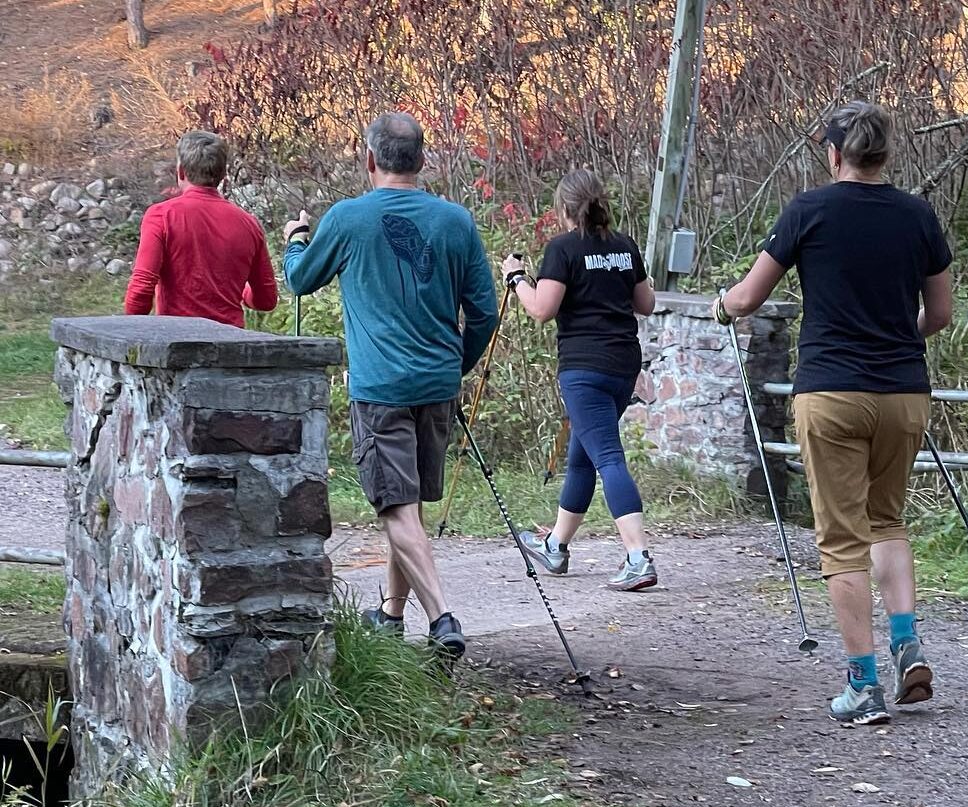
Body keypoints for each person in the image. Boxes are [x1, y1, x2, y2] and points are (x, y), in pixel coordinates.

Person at [715, 101, 954, 724]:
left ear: (833, 154)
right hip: (903, 392)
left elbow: (747, 296)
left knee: (842, 541)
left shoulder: (808, 210)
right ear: (884, 155)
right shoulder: (917, 215)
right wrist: (901, 340)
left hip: (830, 394)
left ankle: (863, 685)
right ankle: (908, 646)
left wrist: (722, 307)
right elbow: (942, 314)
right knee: (889, 521)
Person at [283, 112, 498, 658]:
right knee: (408, 507)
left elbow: (301, 279)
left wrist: (294, 241)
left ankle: (442, 618)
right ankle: (390, 612)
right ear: (422, 162)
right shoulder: (456, 222)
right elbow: (485, 314)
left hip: (381, 389)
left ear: (369, 160)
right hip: (437, 385)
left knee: (396, 509)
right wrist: (457, 364)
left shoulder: (349, 218)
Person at [502, 169, 659, 591]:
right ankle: (555, 545)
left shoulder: (562, 249)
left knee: (606, 456)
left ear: (564, 209)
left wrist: (516, 279)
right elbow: (646, 303)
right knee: (583, 456)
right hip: (623, 365)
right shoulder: (625, 246)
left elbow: (542, 309)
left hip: (583, 369)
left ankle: (638, 557)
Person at [124, 131, 278, 327]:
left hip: (177, 341)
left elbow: (141, 288)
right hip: (231, 345)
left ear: (180, 172)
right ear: (223, 175)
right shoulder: (249, 224)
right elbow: (266, 300)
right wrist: (237, 292)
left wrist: (131, 334)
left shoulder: (161, 216)